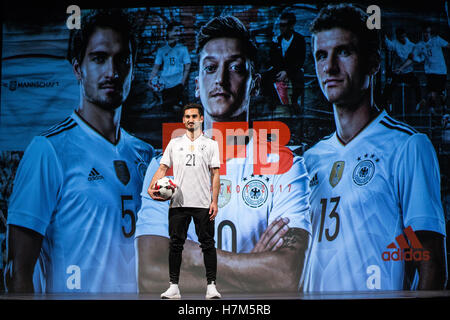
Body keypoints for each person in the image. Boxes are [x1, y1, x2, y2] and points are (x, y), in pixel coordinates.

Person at [136, 16, 311, 294]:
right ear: (196, 84)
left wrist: (192, 255)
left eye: (236, 68)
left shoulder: (286, 166)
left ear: (254, 84)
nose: (220, 79)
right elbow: (151, 276)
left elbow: (286, 276)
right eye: (210, 68)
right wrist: (254, 268)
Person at [4, 9, 154, 293]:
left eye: (122, 59)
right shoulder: (48, 151)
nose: (112, 72)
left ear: (133, 68)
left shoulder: (145, 154)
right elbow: (17, 272)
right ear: (77, 68)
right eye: (99, 59)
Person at [303, 4, 446, 291]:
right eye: (321, 55)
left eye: (344, 52)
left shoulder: (407, 146)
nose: (329, 67)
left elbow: (431, 267)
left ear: (373, 63)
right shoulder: (309, 159)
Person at [147, 103, 221, 299]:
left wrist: (214, 201)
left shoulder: (211, 144)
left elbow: (215, 175)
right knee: (175, 245)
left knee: (207, 244)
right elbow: (163, 168)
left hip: (203, 203)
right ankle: (173, 287)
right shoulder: (174, 143)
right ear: (183, 120)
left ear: (201, 119)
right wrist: (151, 186)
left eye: (194, 116)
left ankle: (211, 286)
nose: (190, 120)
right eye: (187, 116)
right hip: (178, 203)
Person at [264, 12, 306, 112]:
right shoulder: (277, 40)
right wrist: (280, 71)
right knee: (265, 77)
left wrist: (287, 72)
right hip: (279, 68)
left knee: (299, 78)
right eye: (280, 25)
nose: (281, 28)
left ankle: (294, 101)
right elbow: (273, 58)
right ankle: (273, 100)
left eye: (284, 25)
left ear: (291, 26)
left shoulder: (299, 40)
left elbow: (300, 60)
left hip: (293, 69)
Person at [148, 21, 191, 112]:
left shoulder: (183, 49)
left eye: (179, 31)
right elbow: (156, 66)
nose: (178, 33)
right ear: (168, 32)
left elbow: (187, 65)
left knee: (179, 109)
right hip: (165, 85)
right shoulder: (162, 50)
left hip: (178, 84)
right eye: (176, 31)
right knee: (167, 110)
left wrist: (182, 81)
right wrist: (151, 80)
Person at [382, 28, 422, 113]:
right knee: (388, 86)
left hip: (408, 72)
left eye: (404, 37)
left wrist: (414, 58)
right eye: (401, 37)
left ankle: (419, 101)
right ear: (398, 37)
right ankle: (386, 103)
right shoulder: (395, 43)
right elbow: (389, 46)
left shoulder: (411, 46)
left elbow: (417, 59)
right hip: (396, 72)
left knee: (416, 82)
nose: (403, 39)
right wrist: (384, 36)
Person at [415, 24, 450, 114]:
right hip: (430, 72)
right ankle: (433, 115)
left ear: (430, 33)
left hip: (441, 71)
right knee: (432, 93)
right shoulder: (420, 45)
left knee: (442, 93)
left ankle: (444, 110)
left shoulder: (436, 40)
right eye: (425, 32)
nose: (426, 34)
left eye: (428, 32)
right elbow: (417, 57)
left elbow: (448, 45)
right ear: (422, 33)